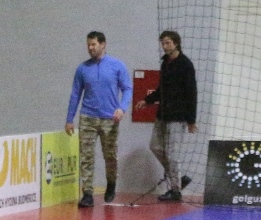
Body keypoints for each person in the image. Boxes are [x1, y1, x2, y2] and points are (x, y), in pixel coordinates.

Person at [64, 30, 131, 208]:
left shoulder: (117, 65)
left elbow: (127, 88)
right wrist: (70, 119)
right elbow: (75, 94)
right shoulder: (82, 68)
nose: (90, 48)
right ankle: (87, 193)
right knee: (86, 156)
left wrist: (122, 108)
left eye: (93, 44)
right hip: (88, 117)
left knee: (110, 155)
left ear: (103, 44)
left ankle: (111, 182)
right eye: (88, 45)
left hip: (110, 118)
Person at [139, 29, 197, 201]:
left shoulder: (185, 64)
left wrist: (191, 120)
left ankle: (176, 190)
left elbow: (192, 93)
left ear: (176, 43)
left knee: (172, 154)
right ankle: (178, 178)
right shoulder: (165, 63)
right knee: (155, 146)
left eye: (168, 43)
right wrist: (147, 100)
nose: (164, 46)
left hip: (177, 117)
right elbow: (161, 90)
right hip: (162, 115)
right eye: (163, 43)